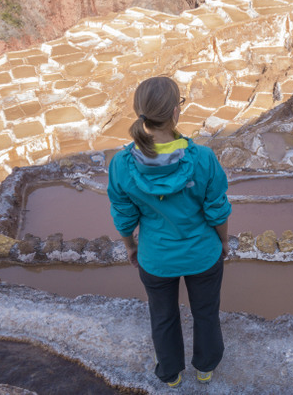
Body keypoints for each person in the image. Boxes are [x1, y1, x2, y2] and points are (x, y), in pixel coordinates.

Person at [107, 76, 231, 388]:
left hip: (156, 257)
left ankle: (171, 375)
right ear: (176, 112)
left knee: (162, 317)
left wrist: (131, 247)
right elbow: (217, 209)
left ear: (140, 112)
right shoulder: (202, 158)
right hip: (202, 254)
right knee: (206, 313)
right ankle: (205, 368)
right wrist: (224, 241)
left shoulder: (121, 163)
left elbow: (124, 216)